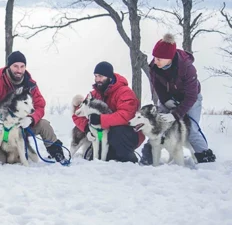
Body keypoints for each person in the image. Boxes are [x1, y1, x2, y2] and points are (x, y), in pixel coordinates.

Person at [0, 51, 66, 164]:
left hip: (21, 127)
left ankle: (56, 152)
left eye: (22, 66)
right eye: (15, 66)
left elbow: (40, 106)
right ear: (8, 66)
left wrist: (31, 118)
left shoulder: (30, 85)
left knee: (44, 125)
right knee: (1, 161)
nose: (19, 70)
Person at [140, 33, 216, 164]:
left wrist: (175, 114)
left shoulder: (187, 68)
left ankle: (205, 157)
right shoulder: (154, 67)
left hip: (191, 99)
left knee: (190, 128)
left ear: (169, 58)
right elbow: (158, 88)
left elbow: (191, 96)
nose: (155, 61)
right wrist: (167, 102)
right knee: (158, 122)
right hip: (169, 97)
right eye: (155, 57)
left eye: (159, 59)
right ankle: (149, 155)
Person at [72, 61, 144, 163]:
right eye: (96, 76)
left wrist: (100, 119)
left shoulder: (124, 92)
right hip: (103, 134)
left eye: (100, 76)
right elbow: (78, 114)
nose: (97, 80)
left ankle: (129, 160)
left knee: (117, 131)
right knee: (100, 150)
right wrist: (87, 128)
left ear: (109, 77)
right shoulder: (93, 95)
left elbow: (126, 116)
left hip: (128, 134)